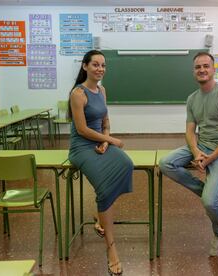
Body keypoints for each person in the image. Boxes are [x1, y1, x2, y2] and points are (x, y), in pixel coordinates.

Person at [159, 52, 218, 256]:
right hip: (202, 145)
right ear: (193, 71)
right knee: (166, 163)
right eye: (198, 67)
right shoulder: (192, 99)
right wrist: (196, 152)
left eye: (206, 66)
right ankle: (208, 190)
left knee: (209, 202)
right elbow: (189, 131)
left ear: (213, 69)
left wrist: (210, 158)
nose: (202, 70)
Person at [68, 50, 133, 275]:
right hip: (81, 147)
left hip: (99, 142)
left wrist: (106, 140)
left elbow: (105, 121)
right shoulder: (78, 93)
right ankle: (111, 248)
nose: (100, 69)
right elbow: (82, 129)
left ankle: (100, 217)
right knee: (104, 187)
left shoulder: (102, 90)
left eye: (103, 65)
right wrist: (110, 140)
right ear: (85, 66)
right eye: (95, 65)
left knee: (126, 164)